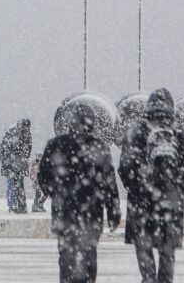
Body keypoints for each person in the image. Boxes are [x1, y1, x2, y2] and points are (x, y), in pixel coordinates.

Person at [118, 88, 184, 283]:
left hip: (141, 200)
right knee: (167, 247)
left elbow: (124, 168)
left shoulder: (135, 131)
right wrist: (175, 188)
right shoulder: (182, 134)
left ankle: (148, 278)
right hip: (170, 201)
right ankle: (165, 279)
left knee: (143, 244)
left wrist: (137, 187)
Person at [37, 105, 121, 283]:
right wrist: (113, 211)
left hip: (64, 212)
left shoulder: (55, 145)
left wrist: (55, 193)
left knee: (66, 258)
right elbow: (109, 184)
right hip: (92, 213)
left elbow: (43, 175)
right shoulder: (99, 148)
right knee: (89, 257)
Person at [0, 119, 32, 213]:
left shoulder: (12, 133)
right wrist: (23, 158)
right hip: (16, 164)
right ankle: (19, 206)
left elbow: (4, 150)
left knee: (13, 185)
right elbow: (28, 149)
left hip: (12, 164)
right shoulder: (25, 134)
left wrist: (7, 160)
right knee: (18, 184)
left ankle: (14, 206)